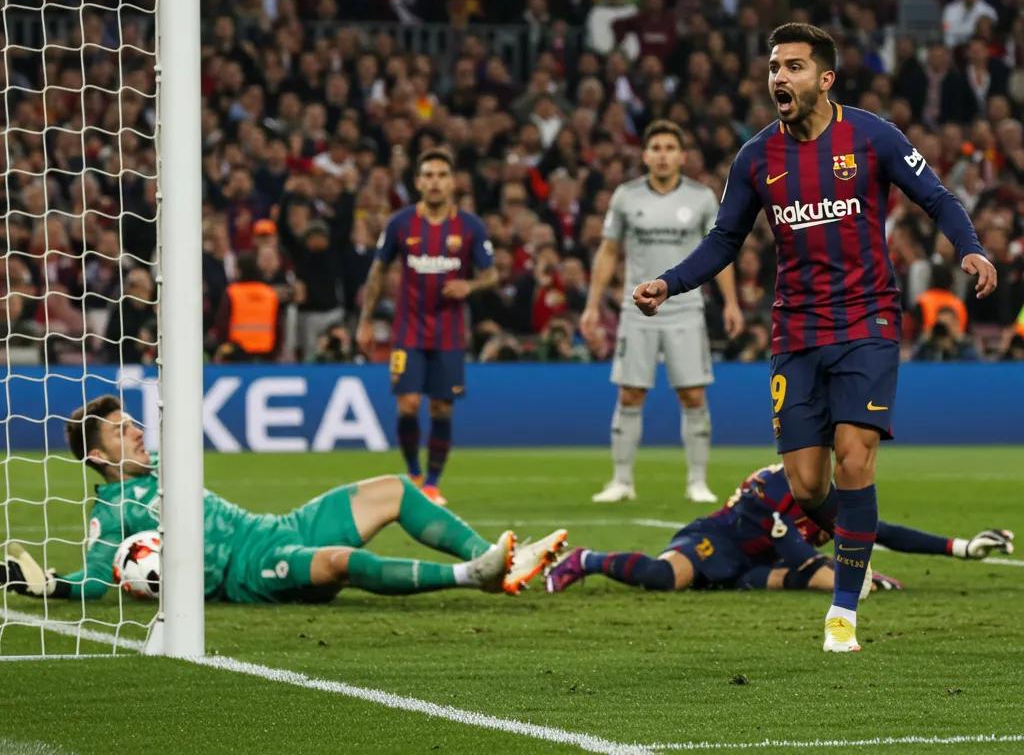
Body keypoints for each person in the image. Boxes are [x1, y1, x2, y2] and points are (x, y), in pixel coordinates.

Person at [631, 23, 997, 653]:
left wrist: (970, 248)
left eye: (794, 67)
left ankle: (843, 611)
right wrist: (669, 283)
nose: (779, 77)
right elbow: (725, 240)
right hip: (796, 329)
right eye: (774, 66)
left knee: (854, 457)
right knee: (806, 484)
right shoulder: (755, 158)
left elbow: (937, 197)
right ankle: (857, 548)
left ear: (825, 80)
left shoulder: (873, 136)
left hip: (867, 323)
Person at [0, 397, 566, 603]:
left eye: (132, 423)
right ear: (98, 458)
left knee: (394, 488)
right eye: (122, 432)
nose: (138, 433)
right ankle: (474, 575)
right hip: (249, 570)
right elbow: (98, 577)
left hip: (275, 526)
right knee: (338, 564)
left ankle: (501, 558)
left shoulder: (160, 473)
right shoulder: (114, 510)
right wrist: (51, 584)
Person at [582, 120, 744, 505]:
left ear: (682, 156)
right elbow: (608, 252)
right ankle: (621, 481)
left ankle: (697, 482)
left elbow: (720, 252)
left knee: (692, 394)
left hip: (685, 308)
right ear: (645, 155)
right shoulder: (626, 197)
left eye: (670, 148)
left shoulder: (702, 198)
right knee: (631, 393)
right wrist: (592, 303)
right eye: (656, 147)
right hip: (636, 309)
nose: (663, 154)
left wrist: (732, 302)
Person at [546, 463, 1013, 595]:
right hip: (715, 542)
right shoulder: (770, 487)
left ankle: (853, 580)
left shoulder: (825, 494)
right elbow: (793, 550)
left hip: (755, 568)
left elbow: (879, 530)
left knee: (836, 575)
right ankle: (586, 559)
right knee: (665, 579)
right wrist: (849, 570)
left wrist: (962, 547)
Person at [356, 149, 498, 505]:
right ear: (418, 182)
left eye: (441, 175)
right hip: (408, 331)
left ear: (452, 182)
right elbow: (377, 272)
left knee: (441, 408)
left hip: (449, 333)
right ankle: (414, 473)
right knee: (406, 404)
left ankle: (433, 483)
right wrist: (366, 321)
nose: (435, 182)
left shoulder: (469, 226)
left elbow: (492, 274)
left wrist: (470, 286)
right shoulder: (401, 224)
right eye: (429, 175)